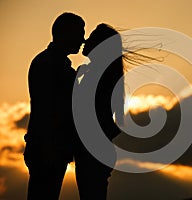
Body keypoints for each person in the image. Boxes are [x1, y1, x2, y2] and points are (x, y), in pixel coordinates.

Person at [23, 12, 85, 199]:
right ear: (65, 33)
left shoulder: (51, 62)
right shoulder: (50, 64)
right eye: (79, 33)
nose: (83, 39)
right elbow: (49, 109)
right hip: (48, 148)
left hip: (47, 147)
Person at [74, 23, 124, 200]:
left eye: (92, 37)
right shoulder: (105, 73)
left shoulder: (98, 74)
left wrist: (75, 84)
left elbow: (83, 110)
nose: (86, 40)